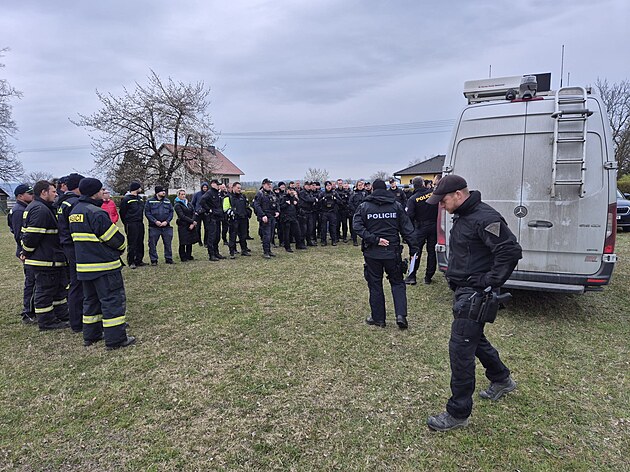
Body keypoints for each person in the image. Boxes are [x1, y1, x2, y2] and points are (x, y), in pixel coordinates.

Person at [425, 175, 522, 432]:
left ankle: (458, 413)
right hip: (464, 292)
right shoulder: (464, 215)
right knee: (474, 339)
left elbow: (510, 250)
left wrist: (489, 281)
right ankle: (501, 379)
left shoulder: (484, 218)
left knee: (460, 350)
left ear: (458, 194)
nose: (441, 205)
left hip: (475, 294)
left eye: (443, 200)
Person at [69, 178, 135, 350]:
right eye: (101, 190)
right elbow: (114, 239)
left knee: (90, 302)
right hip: (103, 266)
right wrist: (122, 246)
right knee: (111, 301)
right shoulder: (97, 213)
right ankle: (116, 339)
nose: (102, 193)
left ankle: (91, 335)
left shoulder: (75, 211)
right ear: (94, 192)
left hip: (84, 267)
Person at [353, 179, 415, 329]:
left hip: (372, 253)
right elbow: (407, 228)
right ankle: (401, 316)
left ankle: (378, 318)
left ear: (372, 189)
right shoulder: (396, 206)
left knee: (375, 284)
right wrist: (414, 248)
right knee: (397, 283)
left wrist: (374, 239)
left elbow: (357, 226)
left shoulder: (364, 207)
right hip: (392, 252)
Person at [21, 180, 69, 331]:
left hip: (50, 258)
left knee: (57, 289)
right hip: (44, 260)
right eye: (53, 192)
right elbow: (32, 236)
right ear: (43, 192)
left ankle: (61, 314)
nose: (56, 194)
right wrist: (26, 252)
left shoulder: (40, 207)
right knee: (45, 291)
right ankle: (47, 321)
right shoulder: (40, 210)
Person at [55, 172, 85, 333]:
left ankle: (76, 320)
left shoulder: (63, 202)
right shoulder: (75, 203)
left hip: (67, 246)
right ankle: (78, 320)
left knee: (75, 283)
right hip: (75, 247)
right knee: (78, 284)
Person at [8, 184, 36, 324]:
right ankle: (28, 312)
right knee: (31, 282)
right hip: (26, 252)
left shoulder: (21, 208)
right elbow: (20, 234)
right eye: (29, 193)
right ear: (20, 196)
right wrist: (24, 251)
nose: (32, 195)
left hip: (25, 250)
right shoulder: (19, 211)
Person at [404, 176, 438, 285]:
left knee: (415, 252)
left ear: (413, 185)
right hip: (434, 226)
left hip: (420, 228)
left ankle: (412, 276)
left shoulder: (413, 199)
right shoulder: (433, 194)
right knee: (432, 252)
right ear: (423, 183)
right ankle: (428, 277)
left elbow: (409, 216)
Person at [145, 185, 175, 265]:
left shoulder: (167, 201)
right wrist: (155, 221)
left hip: (166, 226)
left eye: (164, 191)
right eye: (162, 191)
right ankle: (154, 260)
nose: (164, 192)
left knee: (168, 243)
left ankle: (168, 258)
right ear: (157, 192)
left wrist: (167, 221)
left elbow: (171, 212)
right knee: (152, 244)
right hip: (154, 227)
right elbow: (147, 213)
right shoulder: (150, 201)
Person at [119, 181, 145, 269]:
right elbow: (122, 212)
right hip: (131, 223)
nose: (141, 189)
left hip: (140, 222)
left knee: (140, 242)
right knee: (132, 242)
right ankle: (131, 261)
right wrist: (126, 223)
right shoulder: (126, 199)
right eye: (139, 187)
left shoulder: (140, 199)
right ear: (136, 188)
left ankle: (139, 260)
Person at [224, 182, 252, 258]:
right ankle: (232, 252)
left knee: (243, 236)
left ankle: (244, 250)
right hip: (234, 220)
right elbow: (225, 209)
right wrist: (233, 213)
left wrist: (247, 213)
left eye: (240, 188)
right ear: (233, 187)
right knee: (233, 236)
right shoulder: (228, 197)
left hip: (243, 219)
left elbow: (247, 206)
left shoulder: (243, 197)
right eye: (238, 188)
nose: (239, 189)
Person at [253, 178, 279, 259]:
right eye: (268, 184)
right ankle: (266, 252)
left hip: (272, 216)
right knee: (266, 235)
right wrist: (262, 215)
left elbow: (276, 203)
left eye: (270, 184)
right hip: (265, 217)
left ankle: (269, 250)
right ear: (263, 185)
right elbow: (257, 206)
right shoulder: (260, 194)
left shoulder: (272, 193)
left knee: (271, 235)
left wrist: (277, 211)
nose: (270, 186)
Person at [200, 179, 224, 261]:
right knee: (212, 236)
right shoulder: (209, 193)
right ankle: (211, 254)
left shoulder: (218, 193)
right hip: (211, 218)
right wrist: (209, 209)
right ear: (213, 184)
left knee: (217, 236)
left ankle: (216, 252)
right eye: (217, 184)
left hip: (218, 217)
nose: (218, 186)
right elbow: (202, 201)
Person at [174, 189, 199, 262]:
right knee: (183, 241)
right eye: (181, 194)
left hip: (190, 224)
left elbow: (194, 212)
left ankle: (189, 255)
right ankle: (183, 256)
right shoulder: (177, 205)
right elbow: (182, 216)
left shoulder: (188, 203)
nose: (183, 196)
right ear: (178, 195)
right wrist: (192, 221)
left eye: (184, 194)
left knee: (190, 241)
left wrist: (192, 223)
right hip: (183, 224)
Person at [279, 187, 306, 252]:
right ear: (287, 191)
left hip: (294, 217)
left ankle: (298, 245)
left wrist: (296, 204)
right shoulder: (283, 198)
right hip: (286, 218)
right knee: (287, 234)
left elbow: (298, 207)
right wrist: (286, 204)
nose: (292, 192)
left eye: (293, 190)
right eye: (290, 190)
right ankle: (287, 247)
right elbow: (280, 207)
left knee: (297, 232)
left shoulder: (294, 198)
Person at [348, 180, 368, 247]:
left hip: (364, 212)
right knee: (355, 227)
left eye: (361, 185)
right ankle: (355, 240)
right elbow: (350, 203)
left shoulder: (365, 193)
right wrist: (355, 210)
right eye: (359, 185)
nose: (360, 186)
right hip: (355, 212)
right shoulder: (353, 193)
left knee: (366, 226)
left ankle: (365, 239)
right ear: (356, 186)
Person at [319, 181, 339, 246]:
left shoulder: (334, 193)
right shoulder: (322, 193)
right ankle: (323, 241)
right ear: (325, 186)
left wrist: (335, 199)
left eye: (330, 185)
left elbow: (340, 202)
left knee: (333, 227)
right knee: (323, 228)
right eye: (327, 186)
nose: (329, 187)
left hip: (332, 212)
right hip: (324, 212)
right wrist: (323, 199)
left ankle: (334, 240)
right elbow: (318, 202)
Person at [191, 182, 209, 246]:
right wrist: (194, 211)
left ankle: (206, 242)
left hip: (206, 213)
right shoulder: (197, 194)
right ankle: (199, 241)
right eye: (204, 187)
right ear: (201, 187)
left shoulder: (208, 194)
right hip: (198, 213)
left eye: (206, 187)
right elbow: (192, 203)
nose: (205, 188)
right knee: (198, 228)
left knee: (207, 228)